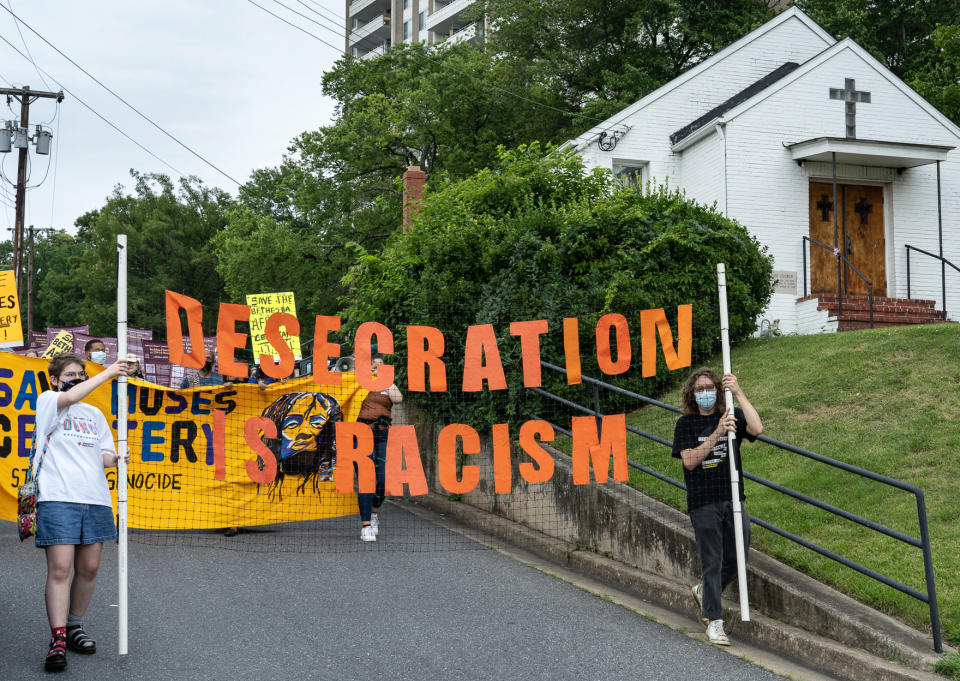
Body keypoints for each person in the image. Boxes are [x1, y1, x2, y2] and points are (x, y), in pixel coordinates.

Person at [33, 352, 132, 671]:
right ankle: (57, 638)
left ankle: (75, 626)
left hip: (95, 498)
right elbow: (73, 394)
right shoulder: (48, 401)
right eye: (70, 374)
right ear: (55, 379)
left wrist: (117, 458)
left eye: (81, 372)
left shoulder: (94, 413)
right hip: (58, 496)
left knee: (88, 568)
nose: (76, 378)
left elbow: (102, 455)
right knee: (61, 568)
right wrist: (109, 373)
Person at [672, 368, 762, 646]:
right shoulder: (685, 424)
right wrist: (717, 432)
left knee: (737, 556)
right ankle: (715, 621)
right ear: (692, 394)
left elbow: (757, 428)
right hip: (703, 502)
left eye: (710, 387)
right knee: (711, 561)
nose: (705, 393)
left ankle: (703, 592)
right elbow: (689, 461)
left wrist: (738, 392)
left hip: (733, 498)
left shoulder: (731, 416)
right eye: (700, 389)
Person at [356, 356, 402, 542]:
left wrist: (386, 380)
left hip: (382, 435)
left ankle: (374, 512)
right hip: (361, 435)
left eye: (381, 367)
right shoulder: (359, 383)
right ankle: (365, 525)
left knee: (383, 479)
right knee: (366, 480)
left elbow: (398, 399)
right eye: (374, 366)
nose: (377, 369)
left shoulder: (390, 386)